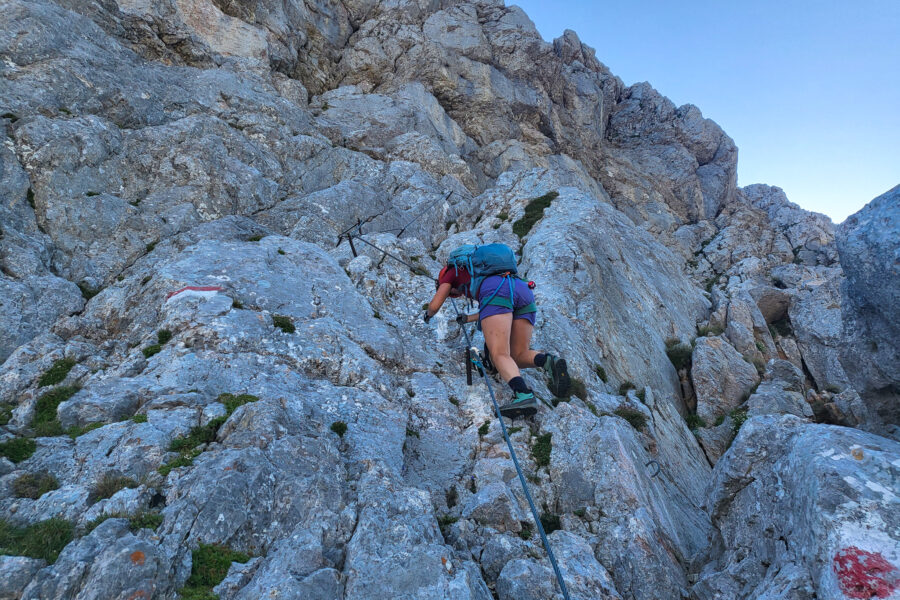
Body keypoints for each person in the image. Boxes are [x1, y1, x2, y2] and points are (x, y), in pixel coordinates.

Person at [423, 252, 570, 418]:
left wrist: (427, 315)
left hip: (497, 292)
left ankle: (523, 395)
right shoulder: (483, 272)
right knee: (519, 355)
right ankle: (549, 361)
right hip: (522, 290)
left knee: (499, 354)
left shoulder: (449, 274)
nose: (459, 294)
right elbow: (496, 309)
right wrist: (468, 318)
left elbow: (435, 305)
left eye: (454, 293)